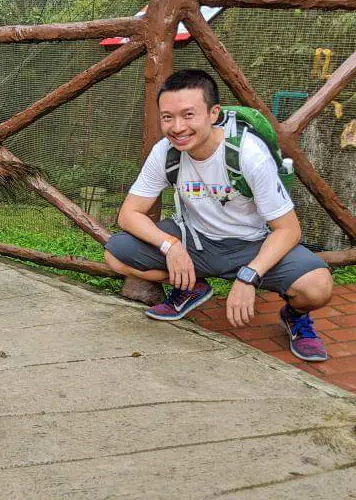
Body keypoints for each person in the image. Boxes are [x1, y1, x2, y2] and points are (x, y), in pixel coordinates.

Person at [104, 69, 333, 362]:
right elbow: (129, 214)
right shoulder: (166, 152)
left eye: (188, 115)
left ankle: (295, 316)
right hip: (194, 242)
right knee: (115, 254)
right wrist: (170, 245)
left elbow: (288, 229)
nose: (177, 127)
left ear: (213, 113)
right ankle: (190, 287)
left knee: (317, 287)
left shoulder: (248, 154)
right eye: (167, 117)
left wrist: (249, 276)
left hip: (252, 246)